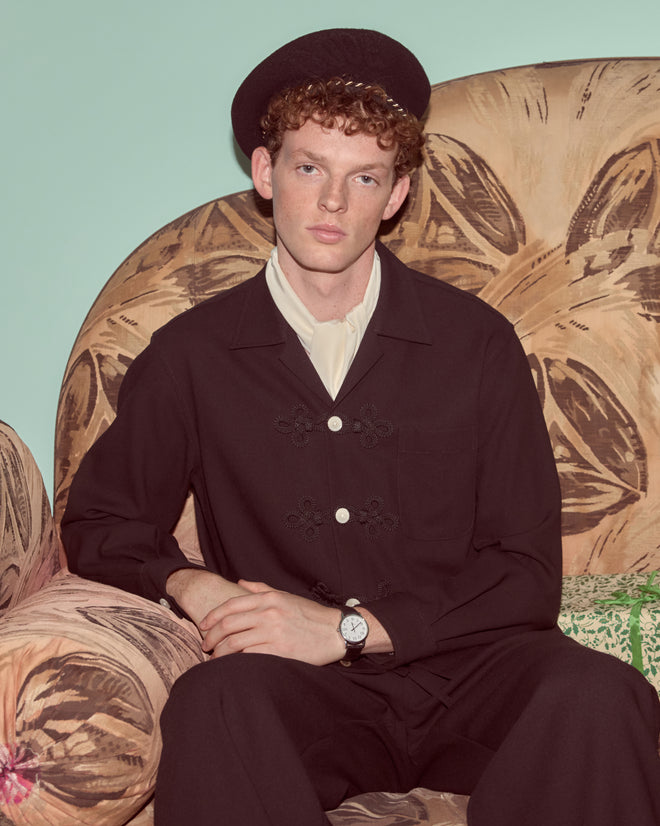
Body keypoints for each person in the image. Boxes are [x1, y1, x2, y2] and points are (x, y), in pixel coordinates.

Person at [62, 28, 660, 826]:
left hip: (473, 671)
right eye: (310, 168)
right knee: (215, 702)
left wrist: (348, 629)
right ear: (265, 172)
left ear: (398, 193)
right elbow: (102, 521)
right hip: (301, 692)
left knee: (602, 694)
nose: (334, 203)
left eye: (365, 177)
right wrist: (194, 586)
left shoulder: (477, 343)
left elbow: (525, 572)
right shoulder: (190, 356)